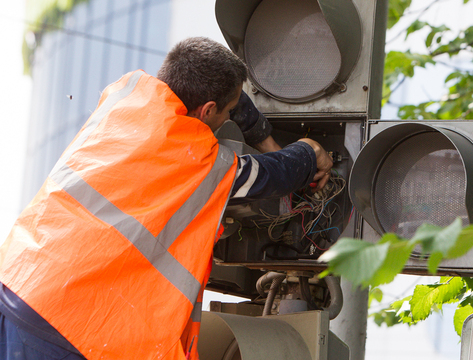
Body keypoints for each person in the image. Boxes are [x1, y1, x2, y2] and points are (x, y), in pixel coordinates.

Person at [0, 37, 333, 360]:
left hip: (17, 283)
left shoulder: (124, 95)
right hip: (70, 330)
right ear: (208, 110)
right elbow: (269, 176)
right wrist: (310, 152)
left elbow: (218, 93)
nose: (229, 118)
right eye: (226, 113)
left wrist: (264, 139)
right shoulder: (197, 162)